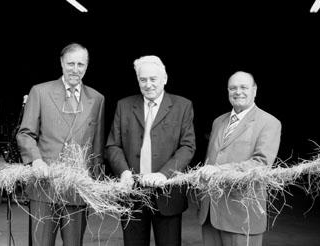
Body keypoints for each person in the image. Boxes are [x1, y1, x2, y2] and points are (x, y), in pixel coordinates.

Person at [17, 43, 105, 246]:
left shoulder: (97, 99)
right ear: (61, 63)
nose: (76, 69)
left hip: (77, 189)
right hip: (44, 186)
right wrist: (36, 161)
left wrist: (96, 184)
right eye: (71, 63)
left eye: (81, 64)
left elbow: (97, 148)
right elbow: (25, 134)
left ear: (87, 66)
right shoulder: (40, 92)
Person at [106, 55, 196, 246]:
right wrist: (123, 172)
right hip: (132, 193)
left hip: (168, 193)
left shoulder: (182, 106)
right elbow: (113, 145)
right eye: (143, 79)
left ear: (165, 79)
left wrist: (164, 174)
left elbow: (187, 146)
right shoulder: (124, 105)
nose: (148, 84)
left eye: (153, 79)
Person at [198, 71, 281, 246]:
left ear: (255, 90)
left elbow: (261, 164)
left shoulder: (269, 122)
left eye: (244, 87)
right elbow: (210, 161)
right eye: (233, 88)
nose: (238, 92)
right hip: (210, 212)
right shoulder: (218, 121)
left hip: (241, 214)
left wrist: (220, 170)